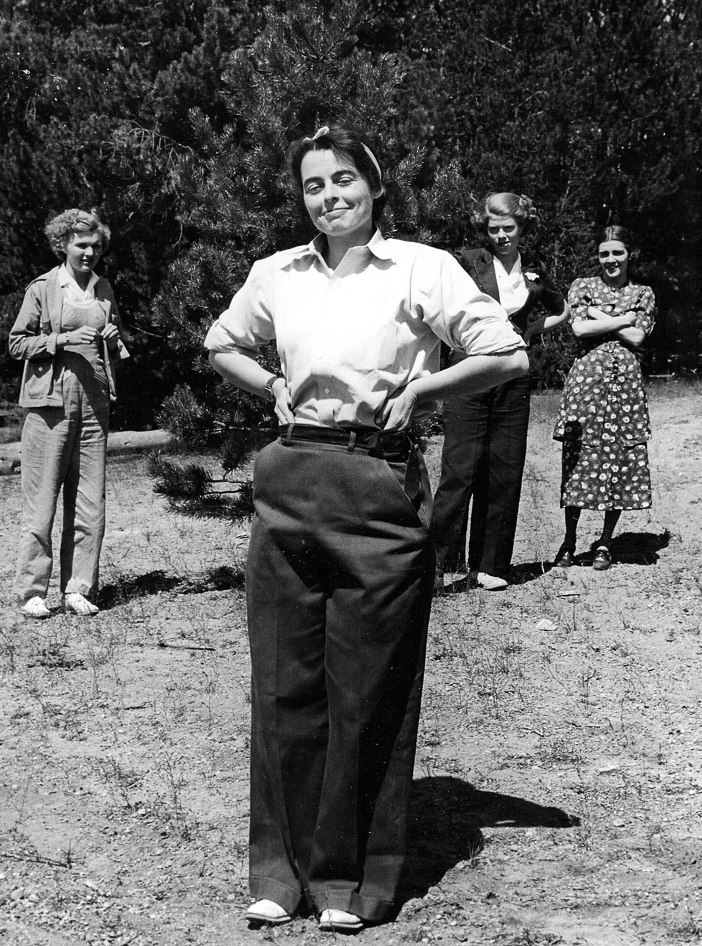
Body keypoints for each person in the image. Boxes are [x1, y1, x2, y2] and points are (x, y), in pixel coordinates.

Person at [204, 125, 528, 932]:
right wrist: (272, 384)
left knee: (369, 690)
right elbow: (220, 341)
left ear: (375, 187)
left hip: (378, 484)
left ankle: (351, 882)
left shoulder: (420, 266)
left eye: (344, 180)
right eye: (314, 186)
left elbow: (507, 353)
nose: (330, 197)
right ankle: (280, 875)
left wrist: (424, 393)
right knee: (283, 688)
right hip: (289, 481)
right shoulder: (276, 272)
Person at [433, 192, 568, 590]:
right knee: (460, 469)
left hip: (513, 375)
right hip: (469, 372)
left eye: (509, 228)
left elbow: (563, 308)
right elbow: (440, 305)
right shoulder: (466, 262)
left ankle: (490, 566)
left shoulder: (536, 272)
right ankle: (437, 566)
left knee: (504, 468)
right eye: (494, 229)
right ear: (484, 229)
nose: (502, 235)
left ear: (521, 227)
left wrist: (531, 331)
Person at [9, 208, 129, 619]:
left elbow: (112, 347)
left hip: (94, 406)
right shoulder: (43, 288)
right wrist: (61, 339)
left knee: (90, 504)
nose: (89, 253)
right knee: (41, 503)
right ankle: (32, 592)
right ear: (63, 244)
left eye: (96, 246)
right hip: (49, 406)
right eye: (81, 245)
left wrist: (113, 339)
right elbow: (17, 344)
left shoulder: (104, 287)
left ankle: (78, 588)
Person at [553, 226, 656, 571]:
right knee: (580, 456)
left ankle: (605, 542)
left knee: (619, 458)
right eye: (604, 254)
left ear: (629, 255)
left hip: (624, 385)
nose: (611, 260)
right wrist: (620, 319)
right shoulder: (582, 287)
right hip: (587, 383)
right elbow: (579, 329)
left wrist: (601, 316)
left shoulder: (643, 293)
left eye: (618, 253)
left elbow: (638, 336)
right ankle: (569, 540)